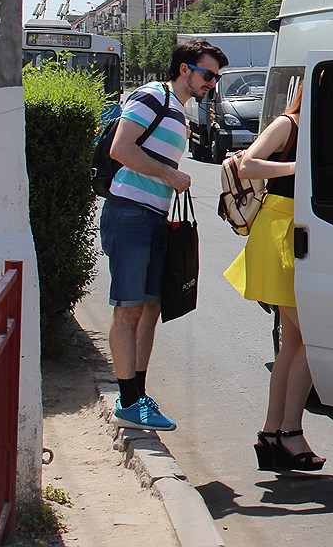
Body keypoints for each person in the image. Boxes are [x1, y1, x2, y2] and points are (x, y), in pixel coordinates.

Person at [103, 38, 227, 431]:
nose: (212, 83)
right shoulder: (152, 96)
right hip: (129, 214)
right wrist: (170, 174)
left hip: (154, 217)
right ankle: (128, 401)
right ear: (185, 69)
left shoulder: (177, 109)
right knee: (129, 309)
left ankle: (138, 395)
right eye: (208, 74)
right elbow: (121, 149)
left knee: (151, 309)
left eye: (217, 78)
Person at [222, 85, 325, 472]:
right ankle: (288, 433)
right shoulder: (290, 123)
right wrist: (298, 168)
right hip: (281, 228)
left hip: (295, 229)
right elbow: (247, 164)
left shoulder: (315, 128)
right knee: (316, 338)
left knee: (294, 342)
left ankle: (273, 434)